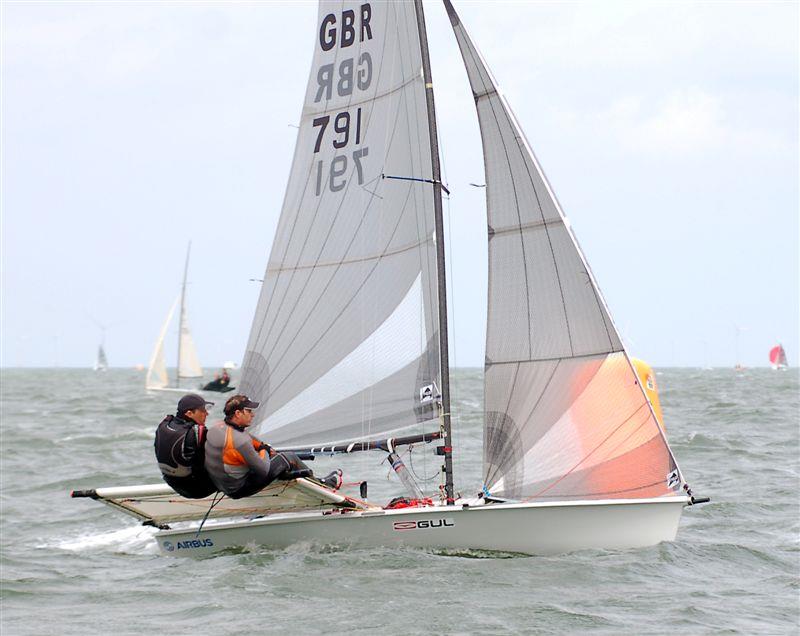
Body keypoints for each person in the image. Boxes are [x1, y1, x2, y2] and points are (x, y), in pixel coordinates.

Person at [204, 394, 342, 499]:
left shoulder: (218, 427)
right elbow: (263, 469)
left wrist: (262, 446)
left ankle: (285, 474)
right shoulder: (240, 442)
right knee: (288, 457)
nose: (253, 414)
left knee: (270, 458)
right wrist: (265, 450)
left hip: (223, 485)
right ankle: (323, 484)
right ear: (238, 413)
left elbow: (245, 437)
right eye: (249, 411)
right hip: (238, 489)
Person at [154, 393, 217, 499]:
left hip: (171, 482)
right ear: (189, 413)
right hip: (196, 489)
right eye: (203, 411)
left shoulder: (165, 425)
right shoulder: (197, 432)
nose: (206, 414)